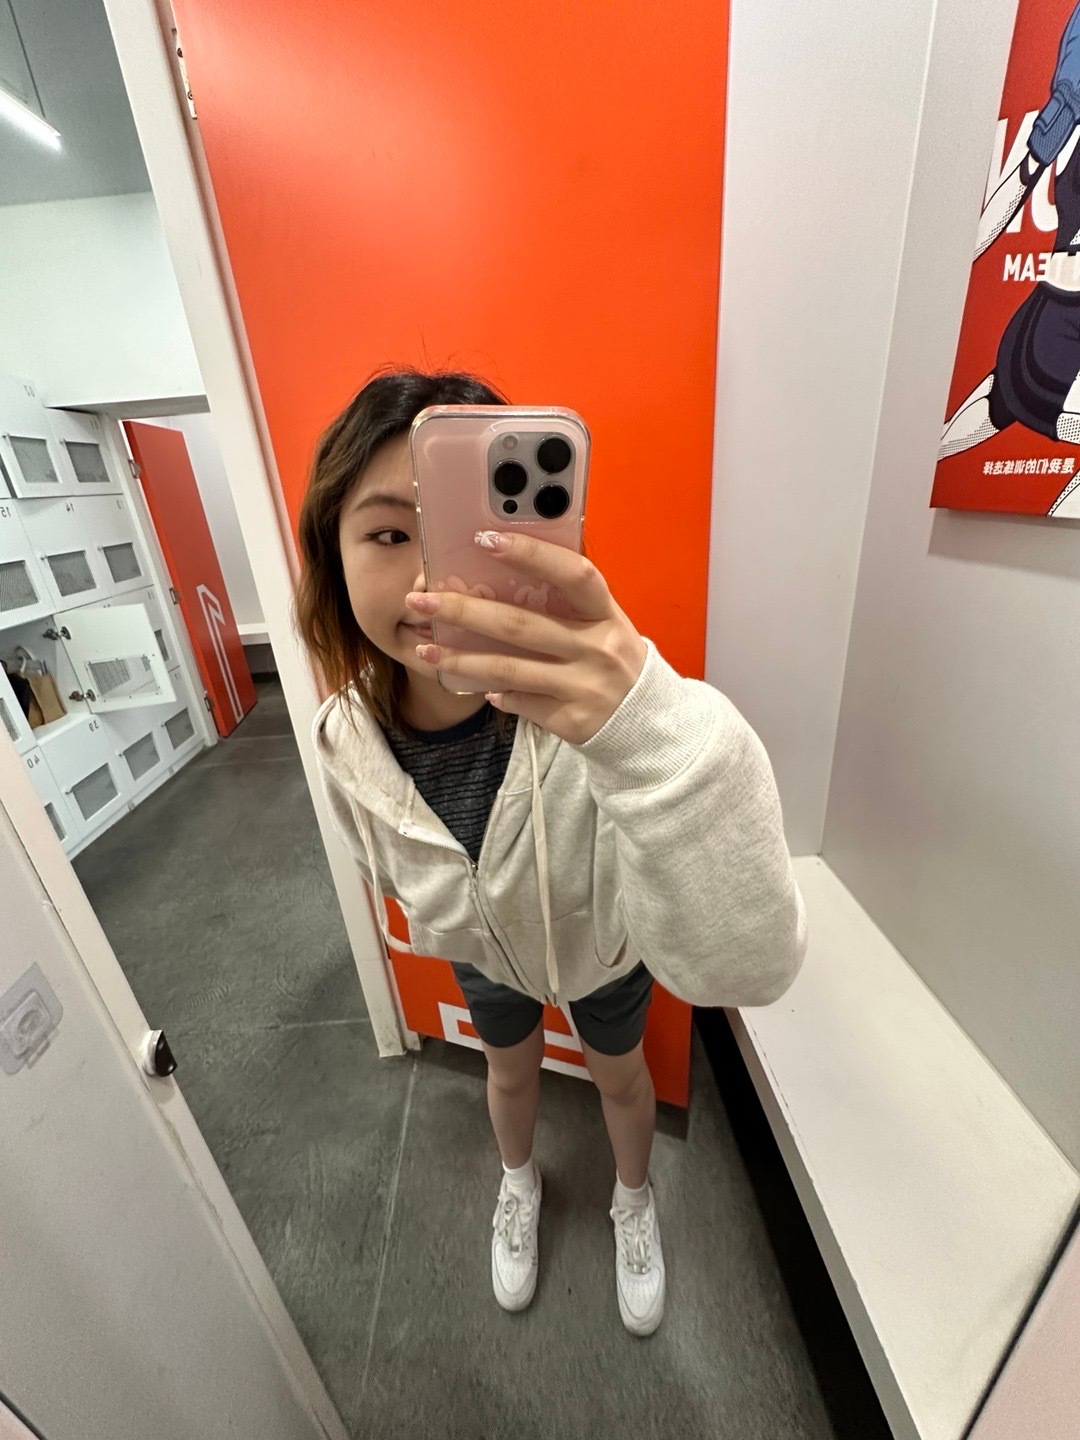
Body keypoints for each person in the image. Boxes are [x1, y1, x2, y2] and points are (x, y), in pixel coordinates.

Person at [296, 367, 806, 1337]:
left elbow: (750, 964)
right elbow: (376, 858)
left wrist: (644, 721)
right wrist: (449, 920)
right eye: (389, 535)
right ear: (333, 556)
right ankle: (519, 1183)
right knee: (509, 1072)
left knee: (620, 1078)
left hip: (602, 954)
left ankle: (631, 1200)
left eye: (464, 532)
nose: (429, 580)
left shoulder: (592, 714)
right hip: (485, 958)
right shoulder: (341, 738)